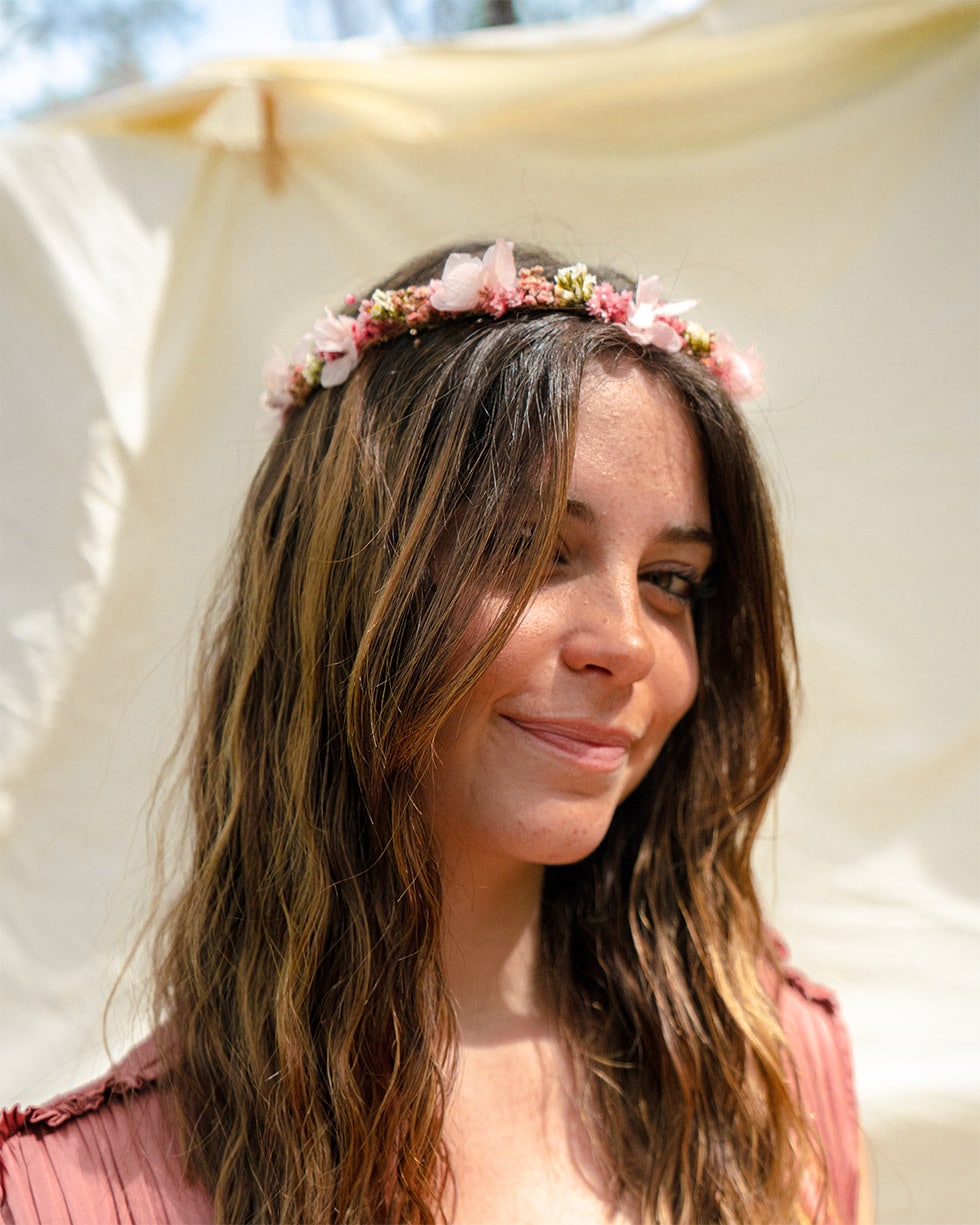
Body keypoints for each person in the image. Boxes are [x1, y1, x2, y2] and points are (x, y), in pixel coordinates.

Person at [1, 240, 871, 1224]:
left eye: (670, 582)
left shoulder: (777, 1077)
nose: (624, 642)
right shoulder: (63, 1195)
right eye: (535, 549)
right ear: (345, 584)